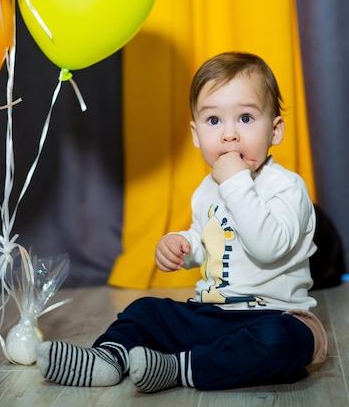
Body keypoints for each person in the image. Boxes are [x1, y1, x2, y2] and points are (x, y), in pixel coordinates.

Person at [37, 51, 327, 392]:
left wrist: (235, 183)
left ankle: (180, 367)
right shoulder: (206, 190)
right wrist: (183, 246)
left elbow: (267, 248)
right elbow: (210, 242)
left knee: (285, 341)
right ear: (195, 134)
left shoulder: (288, 188)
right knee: (146, 310)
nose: (229, 135)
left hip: (273, 315)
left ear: (275, 131)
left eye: (246, 118)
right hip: (211, 314)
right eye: (214, 121)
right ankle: (108, 359)